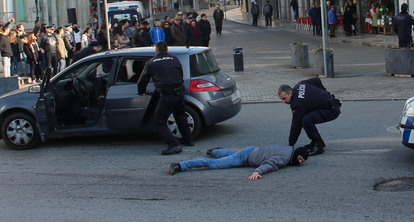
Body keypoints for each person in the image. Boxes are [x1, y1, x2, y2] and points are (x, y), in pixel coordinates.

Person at [136, 41, 195, 155]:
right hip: (179, 92)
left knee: (159, 122)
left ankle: (173, 144)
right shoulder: (175, 59)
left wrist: (141, 91)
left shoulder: (151, 63)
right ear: (167, 50)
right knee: (180, 115)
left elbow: (142, 80)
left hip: (166, 94)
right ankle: (189, 140)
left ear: (156, 51)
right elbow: (180, 75)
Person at [167, 144, 309, 179]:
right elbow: (271, 164)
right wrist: (257, 172)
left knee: (229, 155)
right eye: (300, 159)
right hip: (246, 158)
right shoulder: (284, 158)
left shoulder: (288, 150)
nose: (300, 162)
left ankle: (214, 151)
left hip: (250, 152)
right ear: (297, 154)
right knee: (213, 164)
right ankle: (180, 165)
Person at [277, 78, 340, 156]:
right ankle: (316, 141)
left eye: (284, 98)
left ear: (290, 93)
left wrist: (291, 145)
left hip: (330, 110)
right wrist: (325, 93)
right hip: (331, 103)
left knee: (306, 120)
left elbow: (296, 125)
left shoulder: (298, 103)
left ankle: (318, 146)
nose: (283, 102)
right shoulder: (301, 84)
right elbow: (317, 80)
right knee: (306, 117)